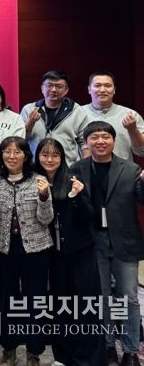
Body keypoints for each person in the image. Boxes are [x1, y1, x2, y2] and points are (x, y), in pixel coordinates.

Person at [70, 121, 144, 366]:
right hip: (93, 241)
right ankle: (107, 344)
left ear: (113, 140)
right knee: (101, 296)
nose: (100, 141)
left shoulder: (130, 169)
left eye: (105, 137)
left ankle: (131, 350)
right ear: (86, 143)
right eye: (94, 137)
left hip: (124, 240)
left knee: (128, 298)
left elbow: (142, 199)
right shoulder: (77, 169)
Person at [34, 138, 107, 366]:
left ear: (62, 157)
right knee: (60, 306)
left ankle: (88, 359)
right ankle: (63, 356)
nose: (49, 159)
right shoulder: (34, 181)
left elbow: (90, 217)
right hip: (54, 255)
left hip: (80, 252)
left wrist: (76, 197)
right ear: (37, 157)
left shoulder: (73, 179)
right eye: (45, 155)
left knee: (85, 306)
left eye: (55, 155)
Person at [0, 136, 53, 366]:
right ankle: (9, 349)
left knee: (35, 301)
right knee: (8, 301)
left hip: (36, 250)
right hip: (6, 250)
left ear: (26, 156)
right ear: (1, 155)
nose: (12, 156)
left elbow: (46, 219)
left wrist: (44, 197)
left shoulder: (39, 180)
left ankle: (34, 351)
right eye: (7, 151)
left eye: (17, 152)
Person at [20, 70, 90, 166]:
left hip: (68, 167)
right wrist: (30, 124)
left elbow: (85, 143)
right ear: (42, 88)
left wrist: (85, 168)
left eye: (59, 86)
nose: (53, 90)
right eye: (49, 85)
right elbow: (20, 141)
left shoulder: (78, 111)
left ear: (66, 90)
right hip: (35, 168)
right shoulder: (29, 109)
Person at [83, 71, 144, 161]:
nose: (102, 90)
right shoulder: (77, 114)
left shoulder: (130, 115)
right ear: (89, 89)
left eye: (107, 86)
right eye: (97, 85)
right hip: (84, 169)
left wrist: (133, 129)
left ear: (114, 89)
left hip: (122, 169)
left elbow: (141, 151)